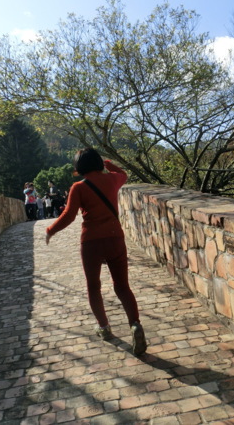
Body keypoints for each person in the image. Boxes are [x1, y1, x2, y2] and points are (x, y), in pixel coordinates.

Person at [45, 148, 147, 356]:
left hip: (91, 242)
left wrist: (50, 230)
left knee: (93, 286)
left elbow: (69, 215)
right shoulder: (112, 180)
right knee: (122, 286)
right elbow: (124, 174)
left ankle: (104, 328)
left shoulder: (78, 187)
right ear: (99, 163)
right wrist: (109, 164)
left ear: (79, 167)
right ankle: (135, 324)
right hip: (115, 238)